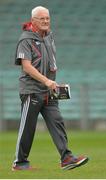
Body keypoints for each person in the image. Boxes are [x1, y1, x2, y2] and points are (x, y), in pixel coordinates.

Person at [12, 6, 89, 171]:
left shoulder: (49, 36)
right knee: (28, 128)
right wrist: (47, 81)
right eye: (42, 19)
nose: (46, 21)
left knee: (57, 121)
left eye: (47, 18)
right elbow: (26, 67)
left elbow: (50, 63)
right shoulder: (25, 39)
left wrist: (53, 83)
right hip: (31, 90)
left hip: (49, 91)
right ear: (33, 21)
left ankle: (66, 158)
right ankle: (19, 163)